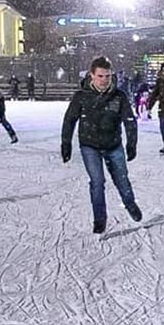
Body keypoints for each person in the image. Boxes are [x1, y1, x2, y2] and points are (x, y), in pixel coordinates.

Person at [60, 56, 141, 234]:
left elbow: (129, 120)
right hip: (90, 145)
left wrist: (131, 143)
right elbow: (70, 120)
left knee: (121, 178)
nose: (104, 80)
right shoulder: (82, 96)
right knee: (97, 181)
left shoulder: (119, 96)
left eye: (107, 76)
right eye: (100, 76)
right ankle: (100, 219)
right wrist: (66, 143)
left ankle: (129, 203)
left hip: (113, 143)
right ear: (92, 76)